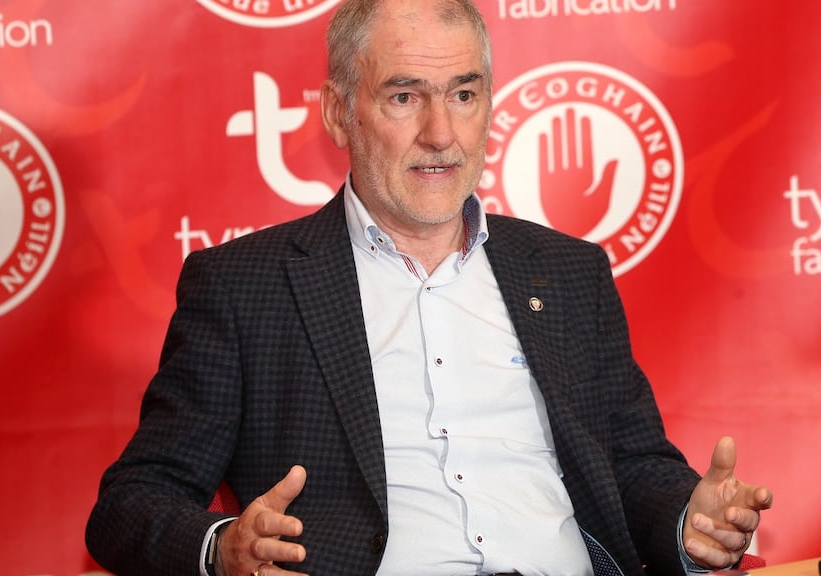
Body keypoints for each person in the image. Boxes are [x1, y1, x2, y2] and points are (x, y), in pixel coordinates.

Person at [85, 1, 773, 575]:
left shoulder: (568, 272)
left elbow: (633, 465)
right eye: (404, 97)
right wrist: (223, 549)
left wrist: (690, 518)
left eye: (463, 95)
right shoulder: (246, 289)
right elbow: (131, 503)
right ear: (338, 112)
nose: (441, 134)